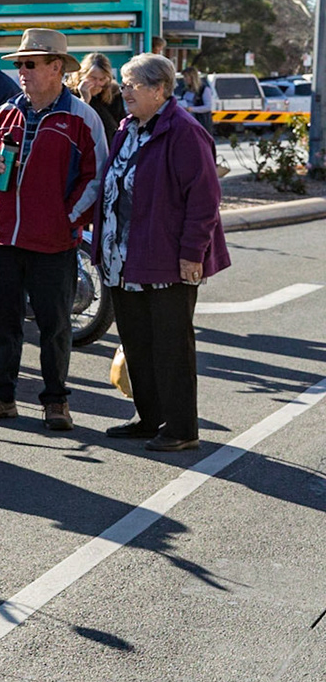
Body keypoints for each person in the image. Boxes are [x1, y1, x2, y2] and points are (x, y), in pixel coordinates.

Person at [0, 29, 106, 431]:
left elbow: (96, 179)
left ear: (57, 67)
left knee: (55, 327)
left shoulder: (81, 118)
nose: (21, 71)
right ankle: (0, 397)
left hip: (53, 243)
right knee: (1, 324)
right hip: (2, 238)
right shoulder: (4, 113)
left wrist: (65, 220)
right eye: (19, 65)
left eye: (30, 64)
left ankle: (56, 401)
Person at [95, 54, 229, 452]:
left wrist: (192, 254)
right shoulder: (129, 127)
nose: (124, 90)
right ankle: (149, 418)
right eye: (123, 83)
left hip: (168, 260)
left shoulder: (184, 131)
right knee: (137, 342)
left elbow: (204, 199)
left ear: (159, 89)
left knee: (171, 345)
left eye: (132, 84)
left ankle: (182, 428)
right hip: (125, 257)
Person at [73, 52, 125, 137]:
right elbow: (72, 125)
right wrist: (84, 100)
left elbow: (119, 124)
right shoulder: (71, 94)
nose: (97, 83)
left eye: (102, 79)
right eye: (93, 78)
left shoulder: (113, 93)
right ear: (82, 75)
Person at [179, 66, 216, 136]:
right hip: (186, 122)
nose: (185, 79)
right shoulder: (185, 90)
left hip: (199, 122)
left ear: (192, 77)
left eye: (186, 77)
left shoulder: (204, 90)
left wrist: (191, 109)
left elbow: (208, 107)